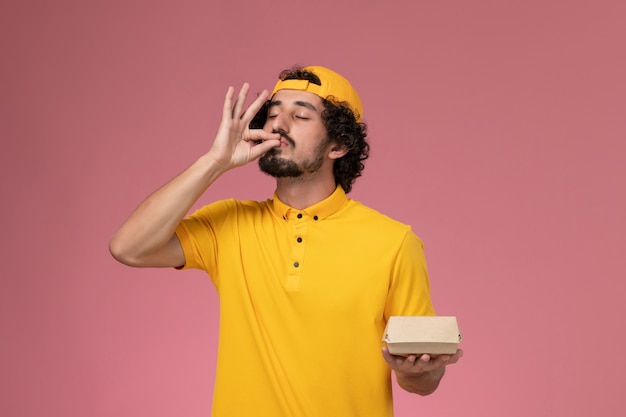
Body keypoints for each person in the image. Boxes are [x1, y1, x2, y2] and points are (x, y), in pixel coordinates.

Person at [109, 65, 463, 417]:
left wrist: (414, 370)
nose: (278, 124)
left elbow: (423, 381)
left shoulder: (394, 241)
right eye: (274, 114)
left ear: (338, 144)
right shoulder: (230, 223)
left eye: (300, 116)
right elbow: (128, 247)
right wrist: (214, 162)